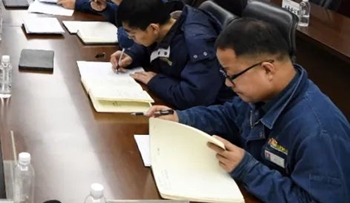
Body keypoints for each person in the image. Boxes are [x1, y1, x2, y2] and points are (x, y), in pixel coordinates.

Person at [147, 18, 350, 203]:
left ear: (267, 69)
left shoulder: (319, 132)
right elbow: (230, 115)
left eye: (232, 75)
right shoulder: (265, 94)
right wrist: (181, 117)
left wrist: (248, 170)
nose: (227, 83)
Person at [111, 0, 233, 110]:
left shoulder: (199, 45)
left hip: (214, 110)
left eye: (133, 36)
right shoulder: (165, 22)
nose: (133, 40)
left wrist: (156, 81)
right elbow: (153, 44)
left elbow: (193, 98)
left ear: (153, 28)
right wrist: (132, 54)